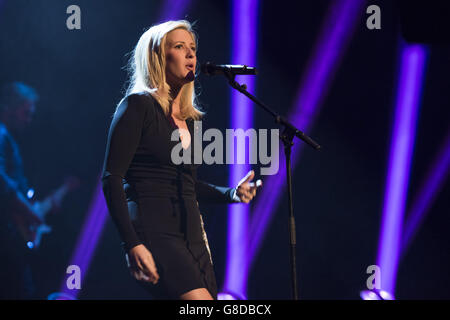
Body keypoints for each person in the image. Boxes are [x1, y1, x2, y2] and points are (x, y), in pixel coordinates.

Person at [101, 20, 261, 300]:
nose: (191, 55)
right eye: (179, 47)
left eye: (193, 49)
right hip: (154, 229)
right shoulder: (138, 106)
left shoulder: (190, 121)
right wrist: (132, 244)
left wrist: (232, 194)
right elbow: (112, 178)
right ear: (158, 57)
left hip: (192, 235)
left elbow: (188, 184)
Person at [0, 82, 41, 299]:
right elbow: (2, 183)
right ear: (10, 108)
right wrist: (29, 211)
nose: (29, 120)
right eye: (26, 113)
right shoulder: (1, 135)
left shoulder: (8, 138)